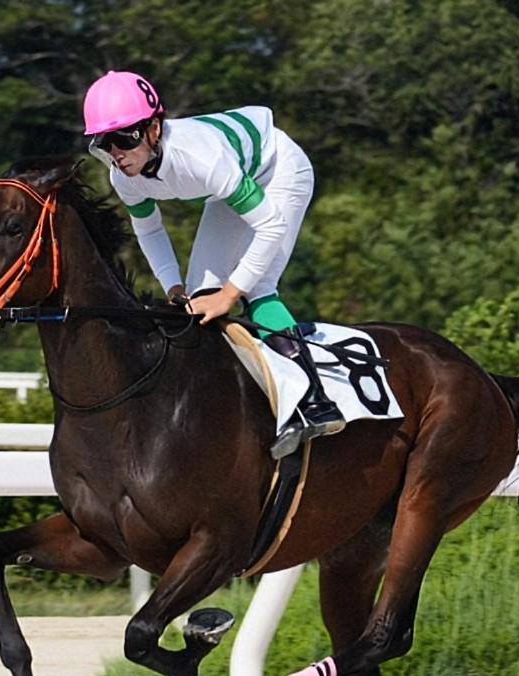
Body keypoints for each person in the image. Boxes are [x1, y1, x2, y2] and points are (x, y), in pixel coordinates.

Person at [82, 70, 344, 459]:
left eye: (125, 138)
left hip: (278, 168)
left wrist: (231, 294)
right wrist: (174, 287)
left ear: (154, 129)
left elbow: (270, 226)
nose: (116, 153)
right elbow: (150, 230)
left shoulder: (199, 158)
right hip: (233, 182)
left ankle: (315, 401)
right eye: (103, 144)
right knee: (199, 298)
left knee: (256, 288)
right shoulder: (124, 177)